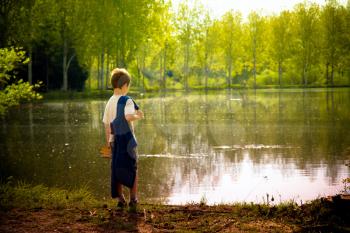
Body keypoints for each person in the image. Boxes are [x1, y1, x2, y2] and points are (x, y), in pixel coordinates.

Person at [102, 68, 144, 209]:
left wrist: (108, 142)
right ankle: (133, 198)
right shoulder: (127, 100)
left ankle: (120, 199)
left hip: (114, 141)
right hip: (127, 141)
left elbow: (107, 124)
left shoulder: (109, 102)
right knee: (133, 167)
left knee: (116, 168)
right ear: (125, 85)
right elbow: (128, 116)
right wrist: (138, 116)